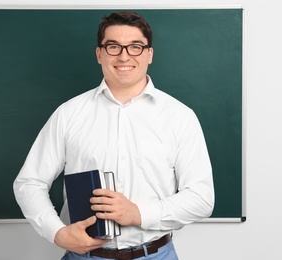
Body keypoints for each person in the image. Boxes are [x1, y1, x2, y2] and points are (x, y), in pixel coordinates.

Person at [14, 11, 214, 260]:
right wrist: (57, 233)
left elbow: (201, 198)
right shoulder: (69, 114)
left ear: (149, 54)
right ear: (99, 54)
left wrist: (137, 213)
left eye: (135, 47)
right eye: (113, 47)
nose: (124, 56)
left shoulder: (179, 117)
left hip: (156, 255)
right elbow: (29, 182)